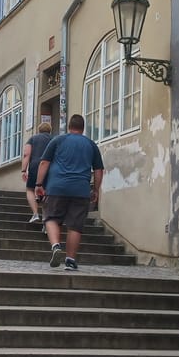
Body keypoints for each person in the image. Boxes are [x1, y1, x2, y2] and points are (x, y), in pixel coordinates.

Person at [34, 114, 104, 271]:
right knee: (75, 226)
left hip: (56, 187)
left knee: (51, 217)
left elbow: (44, 162)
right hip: (80, 190)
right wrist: (95, 190)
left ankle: (56, 246)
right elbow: (99, 170)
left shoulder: (58, 140)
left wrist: (38, 184)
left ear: (69, 127)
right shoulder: (91, 144)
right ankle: (70, 260)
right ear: (83, 128)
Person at [21, 121, 53, 223]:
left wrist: (23, 170)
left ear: (39, 130)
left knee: (30, 189)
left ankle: (35, 214)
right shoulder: (54, 139)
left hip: (35, 167)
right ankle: (46, 219)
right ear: (50, 130)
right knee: (47, 192)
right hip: (49, 167)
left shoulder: (33, 139)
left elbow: (26, 154)